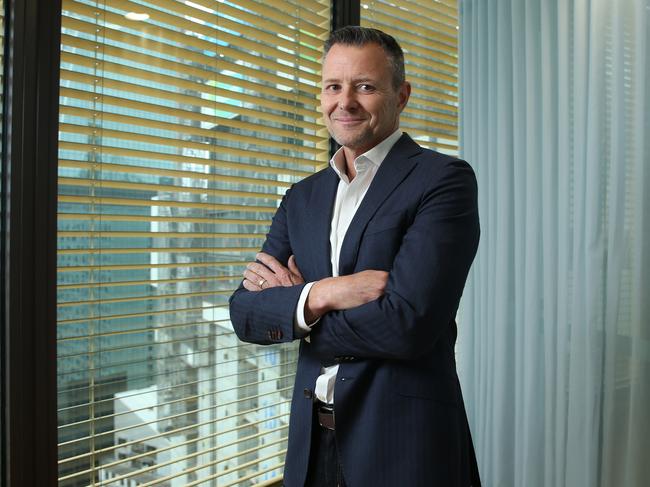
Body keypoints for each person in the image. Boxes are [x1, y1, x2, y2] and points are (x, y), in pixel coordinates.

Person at [229, 26, 481, 487]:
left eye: (364, 86)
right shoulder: (301, 197)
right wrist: (329, 293)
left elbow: (407, 324)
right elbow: (244, 313)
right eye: (333, 86)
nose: (345, 102)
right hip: (311, 445)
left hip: (405, 445)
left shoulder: (442, 180)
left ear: (400, 95)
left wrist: (297, 312)